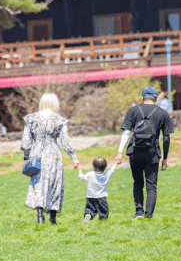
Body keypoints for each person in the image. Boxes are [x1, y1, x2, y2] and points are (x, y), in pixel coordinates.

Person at [114, 86, 174, 219]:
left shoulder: (133, 110)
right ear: (156, 99)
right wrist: (165, 158)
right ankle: (149, 215)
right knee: (151, 185)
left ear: (142, 98)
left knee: (138, 183)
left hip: (135, 151)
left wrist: (120, 152)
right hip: (152, 153)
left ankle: (138, 212)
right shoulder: (163, 113)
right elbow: (166, 137)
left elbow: (126, 132)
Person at [21, 92, 79, 225]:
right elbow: (65, 140)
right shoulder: (59, 120)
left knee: (38, 183)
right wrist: (74, 157)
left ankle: (40, 216)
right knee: (55, 183)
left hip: (37, 154)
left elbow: (26, 140)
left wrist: (26, 156)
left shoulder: (31, 118)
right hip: (53, 153)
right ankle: (52, 218)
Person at [78, 156, 118, 224]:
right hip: (101, 197)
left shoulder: (90, 174)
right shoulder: (106, 176)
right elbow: (112, 171)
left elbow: (81, 177)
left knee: (90, 209)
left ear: (93, 166)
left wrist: (79, 169)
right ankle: (103, 220)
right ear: (105, 167)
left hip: (90, 197)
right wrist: (116, 163)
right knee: (103, 211)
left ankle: (88, 215)